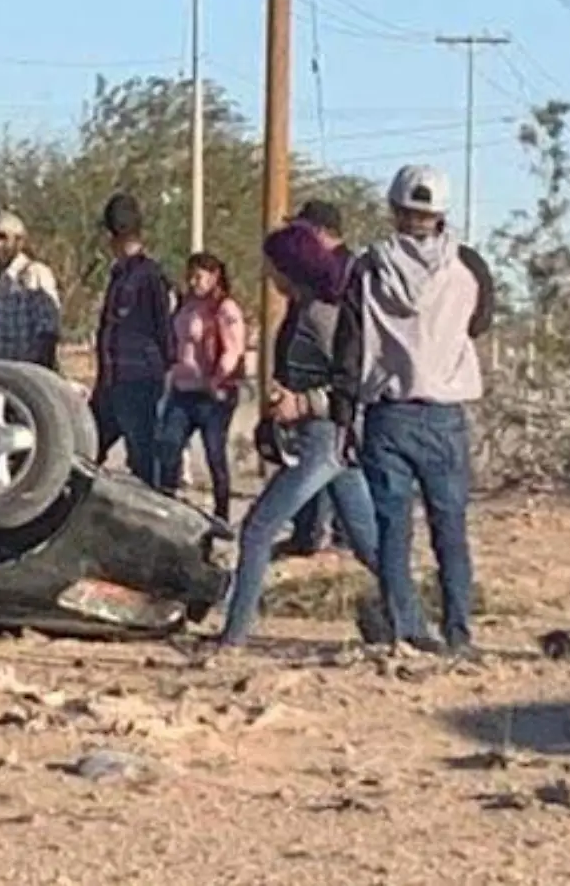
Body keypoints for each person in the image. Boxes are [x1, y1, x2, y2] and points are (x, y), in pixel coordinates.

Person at [330, 164, 495, 657]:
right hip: (444, 414)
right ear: (440, 214)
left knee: (393, 532)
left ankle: (406, 629)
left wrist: (343, 414)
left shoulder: (367, 267)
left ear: (394, 209)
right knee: (451, 529)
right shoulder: (469, 265)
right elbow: (481, 322)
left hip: (389, 413)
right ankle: (459, 632)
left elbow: (349, 347)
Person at [216, 222, 381, 648]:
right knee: (369, 545)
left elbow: (349, 385)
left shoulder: (321, 316)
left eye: (273, 266)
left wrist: (303, 404)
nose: (268, 275)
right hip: (328, 446)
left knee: (257, 529)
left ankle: (233, 635)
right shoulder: (303, 310)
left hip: (322, 441)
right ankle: (410, 623)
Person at [90, 193, 175, 488]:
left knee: (142, 456)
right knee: (88, 445)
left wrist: (166, 369)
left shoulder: (149, 275)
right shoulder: (118, 274)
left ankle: (153, 518)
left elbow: (164, 326)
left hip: (139, 379)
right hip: (112, 379)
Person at [285, 199, 353, 557]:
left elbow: (341, 351)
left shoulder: (341, 274)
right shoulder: (315, 277)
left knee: (261, 525)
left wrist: (320, 398)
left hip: (327, 402)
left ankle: (321, 536)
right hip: (310, 397)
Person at [153, 252, 244, 520]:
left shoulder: (225, 309)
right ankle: (166, 508)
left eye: (199, 276)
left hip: (213, 395)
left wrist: (217, 379)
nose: (193, 282)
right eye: (190, 275)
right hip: (182, 390)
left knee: (214, 453)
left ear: (214, 276)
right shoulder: (185, 306)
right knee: (169, 447)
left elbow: (233, 349)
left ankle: (221, 513)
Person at [0, 211, 62, 369]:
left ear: (19, 241)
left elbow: (48, 334)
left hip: (28, 380)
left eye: (3, 238)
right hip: (0, 380)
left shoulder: (35, 274)